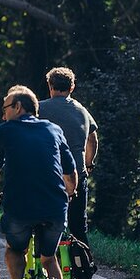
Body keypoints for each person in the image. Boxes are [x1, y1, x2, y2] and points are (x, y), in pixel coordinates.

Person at [0, 86, 77, 279]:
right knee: (49, 257)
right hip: (54, 208)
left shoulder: (5, 130)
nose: (3, 115)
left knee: (15, 249)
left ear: (18, 107)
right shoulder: (54, 129)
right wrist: (70, 193)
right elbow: (70, 172)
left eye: (5, 108)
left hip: (19, 208)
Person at [38, 67, 98, 246]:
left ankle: (45, 263)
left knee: (43, 223)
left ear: (50, 86)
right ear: (72, 87)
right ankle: (85, 266)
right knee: (78, 226)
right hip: (76, 175)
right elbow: (92, 139)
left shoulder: (39, 108)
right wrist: (88, 163)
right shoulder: (83, 111)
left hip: (47, 175)